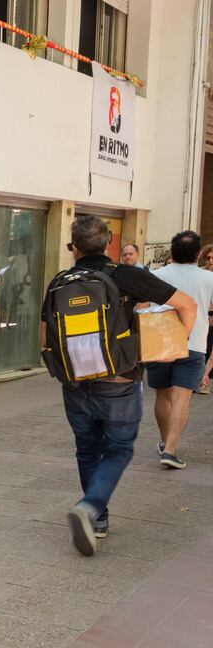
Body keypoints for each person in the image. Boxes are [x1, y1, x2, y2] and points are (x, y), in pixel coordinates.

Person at [54, 216, 196, 557]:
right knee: (118, 449)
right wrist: (174, 344)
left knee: (87, 449)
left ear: (73, 248)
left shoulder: (59, 282)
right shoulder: (125, 274)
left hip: (74, 382)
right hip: (119, 379)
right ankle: (89, 509)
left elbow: (47, 336)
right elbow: (187, 305)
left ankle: (99, 520)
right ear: (109, 243)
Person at [147, 231, 213, 467]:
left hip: (158, 342)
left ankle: (165, 442)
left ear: (171, 252)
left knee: (162, 394)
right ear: (198, 253)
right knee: (182, 397)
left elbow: (141, 306)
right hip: (193, 343)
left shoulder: (154, 275)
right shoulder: (209, 278)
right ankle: (171, 450)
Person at [198, 243, 213, 394]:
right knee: (203, 350)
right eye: (208, 257)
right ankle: (202, 379)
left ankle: (204, 380)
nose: (210, 260)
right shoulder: (200, 274)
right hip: (201, 317)